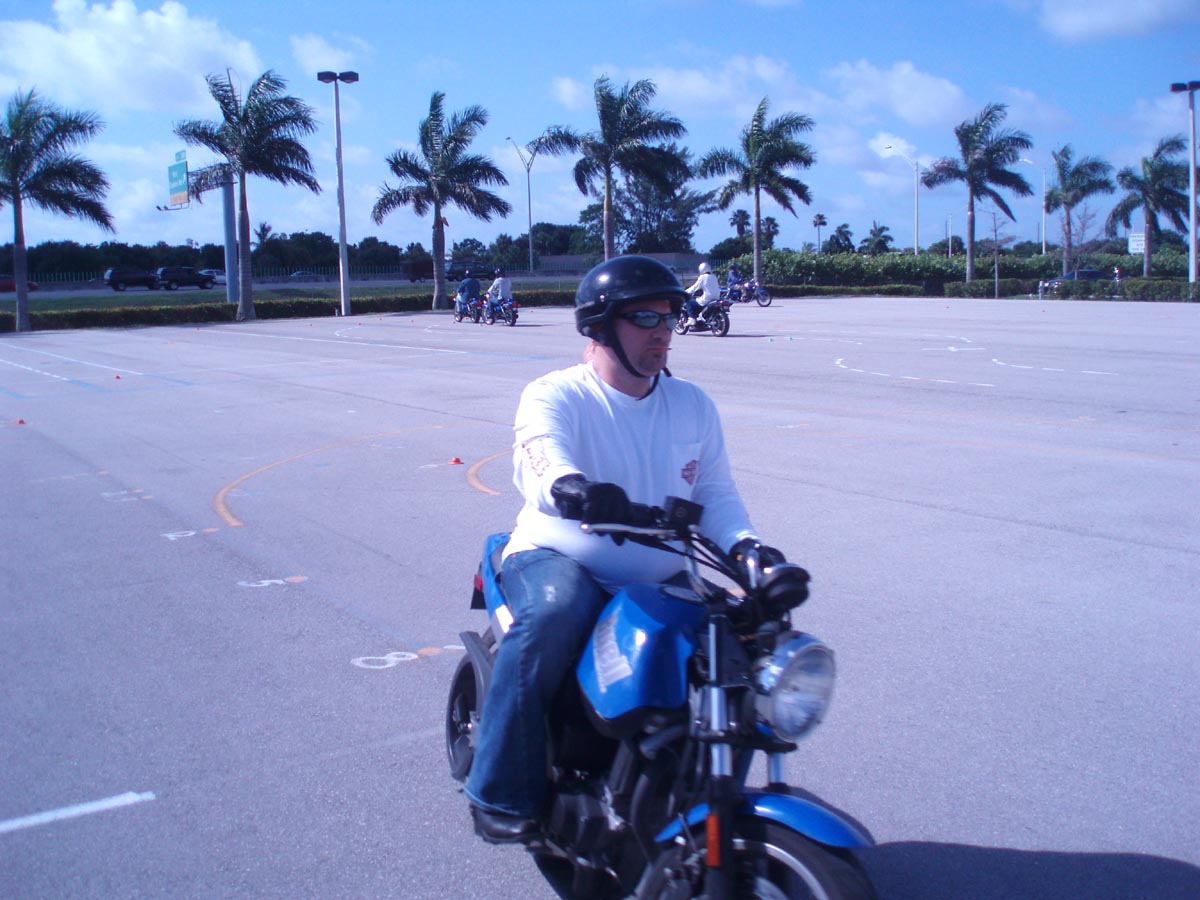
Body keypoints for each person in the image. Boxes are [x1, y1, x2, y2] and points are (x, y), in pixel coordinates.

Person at [465, 254, 790, 844]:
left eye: (668, 316)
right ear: (599, 325)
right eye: (644, 317)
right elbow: (540, 456)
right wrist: (573, 490)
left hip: (662, 572)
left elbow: (715, 494)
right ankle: (499, 791)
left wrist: (749, 551)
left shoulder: (692, 403)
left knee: (741, 648)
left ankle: (705, 796)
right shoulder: (556, 393)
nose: (663, 330)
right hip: (561, 555)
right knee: (555, 613)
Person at [683, 261, 721, 327]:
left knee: (689, 302)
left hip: (707, 299)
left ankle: (692, 319)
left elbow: (695, 287)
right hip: (716, 297)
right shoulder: (714, 276)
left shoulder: (702, 277)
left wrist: (685, 292)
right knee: (696, 300)